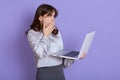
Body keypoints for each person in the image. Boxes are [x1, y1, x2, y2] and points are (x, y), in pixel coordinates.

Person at [26, 4, 86, 80]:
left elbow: (64, 63)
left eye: (54, 16)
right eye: (49, 15)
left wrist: (74, 57)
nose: (53, 19)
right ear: (40, 17)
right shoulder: (32, 33)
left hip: (59, 72)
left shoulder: (56, 32)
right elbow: (39, 53)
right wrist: (45, 35)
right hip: (44, 73)